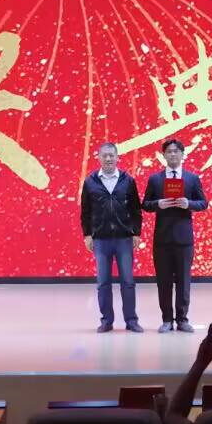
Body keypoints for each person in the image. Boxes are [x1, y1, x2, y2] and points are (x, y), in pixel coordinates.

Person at [143, 138, 209, 333]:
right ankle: (166, 320)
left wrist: (189, 204)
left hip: (184, 239)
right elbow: (145, 204)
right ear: (164, 155)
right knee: (163, 282)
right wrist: (158, 204)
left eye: (176, 151)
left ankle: (182, 319)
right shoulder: (155, 179)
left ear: (182, 154)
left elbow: (203, 203)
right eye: (169, 151)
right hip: (162, 239)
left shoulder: (192, 179)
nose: (172, 154)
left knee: (183, 281)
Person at [79, 141, 145, 333]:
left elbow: (135, 209)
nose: (108, 158)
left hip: (124, 238)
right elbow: (85, 212)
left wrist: (136, 232)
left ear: (117, 158)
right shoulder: (90, 182)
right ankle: (106, 321)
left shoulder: (128, 180)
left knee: (128, 282)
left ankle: (131, 321)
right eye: (105, 155)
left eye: (111, 155)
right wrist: (87, 235)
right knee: (103, 283)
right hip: (101, 240)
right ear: (99, 158)